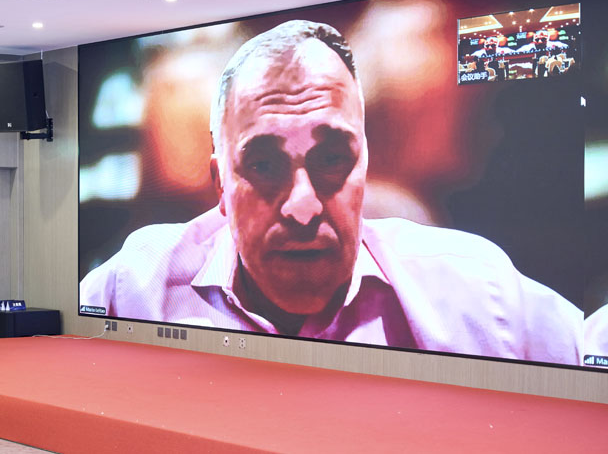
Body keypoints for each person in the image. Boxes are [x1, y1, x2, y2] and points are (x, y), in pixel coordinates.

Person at [80, 20, 583, 364]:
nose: (303, 208)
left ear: (365, 165)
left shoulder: (476, 293)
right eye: (263, 164)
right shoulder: (138, 285)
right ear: (221, 185)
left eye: (331, 159)